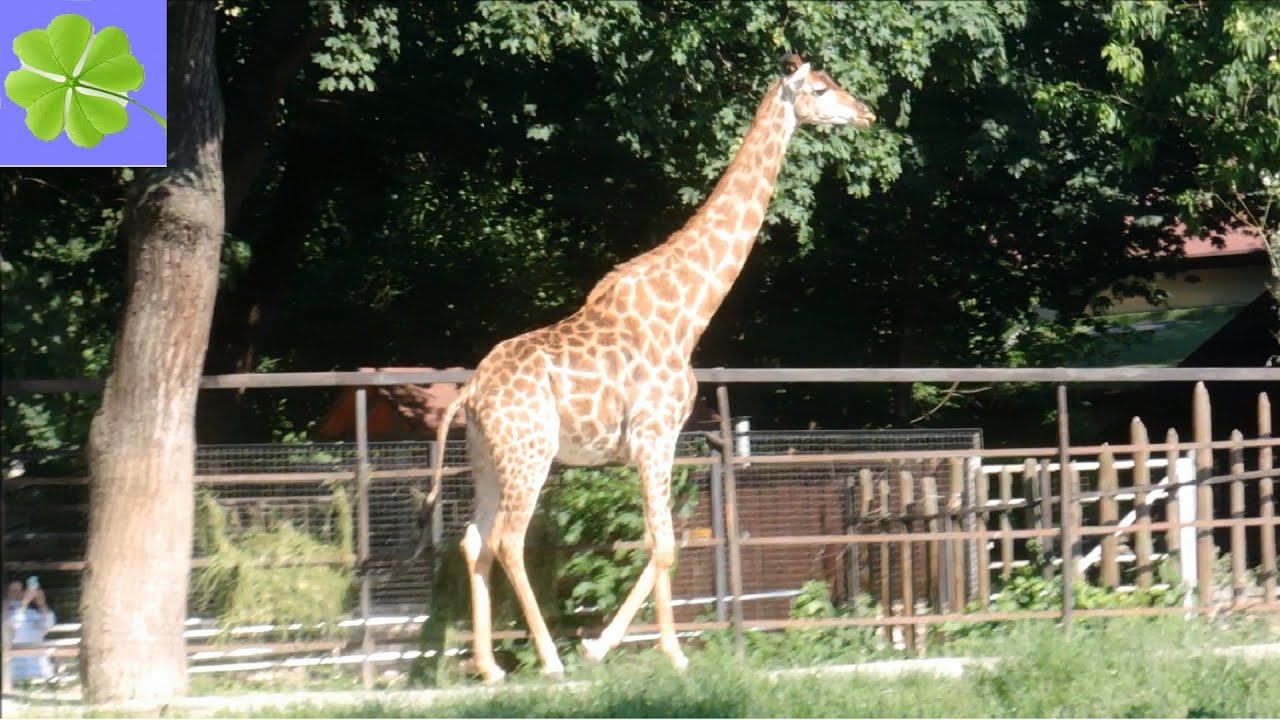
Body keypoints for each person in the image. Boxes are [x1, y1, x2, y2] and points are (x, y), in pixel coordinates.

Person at [4, 579, 57, 684]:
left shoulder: (32, 612)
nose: (17, 593)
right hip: (15, 670)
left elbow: (48, 625)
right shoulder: (5, 612)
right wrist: (24, 603)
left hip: (40, 668)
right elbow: (13, 625)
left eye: (20, 590)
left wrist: (42, 603)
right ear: (7, 593)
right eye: (14, 590)